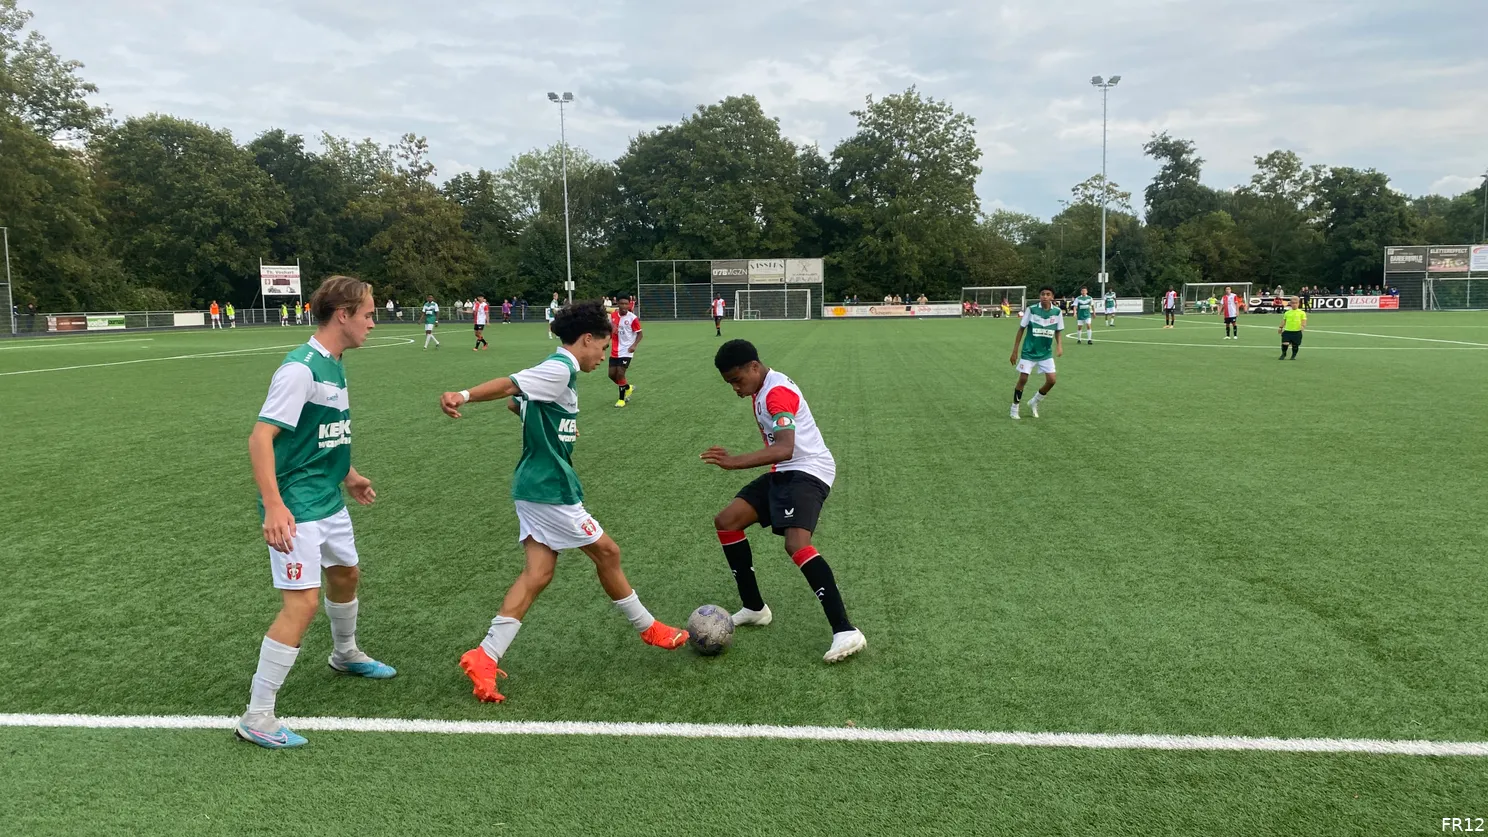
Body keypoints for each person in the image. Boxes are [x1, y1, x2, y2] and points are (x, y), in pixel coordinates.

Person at [441, 301, 688, 703]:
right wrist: (463, 395)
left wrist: (531, 410)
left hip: (535, 485)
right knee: (607, 552)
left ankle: (484, 655)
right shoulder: (560, 368)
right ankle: (648, 628)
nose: (603, 355)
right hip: (549, 488)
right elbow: (509, 388)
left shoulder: (558, 375)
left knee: (537, 574)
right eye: (602, 347)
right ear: (587, 340)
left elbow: (516, 402)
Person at [236, 275, 394, 750]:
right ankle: (258, 716)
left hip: (328, 497)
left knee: (346, 573)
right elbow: (260, 438)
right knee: (301, 603)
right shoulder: (300, 369)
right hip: (297, 507)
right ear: (342, 315)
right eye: (367, 314)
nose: (373, 322)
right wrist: (275, 507)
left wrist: (350, 475)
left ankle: (344, 654)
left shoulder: (335, 364)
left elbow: (318, 437)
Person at [704, 339, 866, 663]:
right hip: (786, 471)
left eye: (737, 380)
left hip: (808, 469)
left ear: (754, 366)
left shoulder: (776, 393)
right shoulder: (760, 388)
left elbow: (784, 448)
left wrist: (733, 462)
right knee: (727, 521)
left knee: (796, 543)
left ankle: (845, 630)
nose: (735, 388)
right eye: (729, 383)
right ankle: (754, 608)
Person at [1009, 286, 1064, 420]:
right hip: (1029, 351)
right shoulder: (1032, 310)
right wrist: (1015, 350)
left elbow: (1058, 331)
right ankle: (1014, 408)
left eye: (1048, 294)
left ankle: (1034, 401)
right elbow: (1021, 329)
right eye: (1042, 294)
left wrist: (1059, 346)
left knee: (1051, 380)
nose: (1045, 296)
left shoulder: (1057, 312)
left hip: (1045, 352)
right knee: (1023, 379)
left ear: (1052, 297)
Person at [607, 294, 643, 407]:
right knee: (612, 375)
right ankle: (628, 387)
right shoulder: (613, 316)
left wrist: (634, 345)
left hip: (627, 350)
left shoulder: (632, 318)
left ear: (629, 304)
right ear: (617, 303)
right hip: (615, 350)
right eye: (621, 303)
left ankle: (621, 399)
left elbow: (640, 334)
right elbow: (611, 331)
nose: (624, 306)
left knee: (620, 373)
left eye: (626, 304)